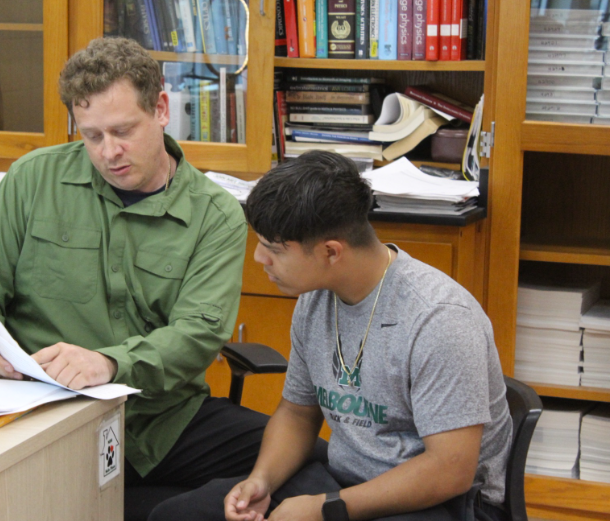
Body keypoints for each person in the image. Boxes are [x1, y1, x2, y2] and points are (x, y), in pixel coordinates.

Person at [0, 37, 273, 516]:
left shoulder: (214, 213)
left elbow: (199, 334)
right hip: (39, 412)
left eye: (122, 131)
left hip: (157, 420)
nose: (109, 152)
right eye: (92, 135)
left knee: (303, 458)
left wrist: (109, 363)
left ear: (161, 108)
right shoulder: (33, 179)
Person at [150, 150, 513, 521]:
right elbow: (297, 413)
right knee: (178, 515)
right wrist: (262, 481)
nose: (260, 258)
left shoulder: (438, 319)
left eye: (274, 249)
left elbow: (449, 472)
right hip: (346, 483)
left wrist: (326, 509)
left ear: (331, 252)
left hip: (442, 503)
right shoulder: (315, 300)